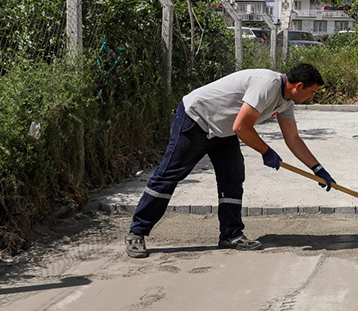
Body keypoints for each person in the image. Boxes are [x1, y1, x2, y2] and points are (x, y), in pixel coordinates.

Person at [124, 63, 336, 258]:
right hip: (196, 119)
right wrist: (265, 151)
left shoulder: (286, 103)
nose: (312, 97)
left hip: (223, 131)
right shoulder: (266, 84)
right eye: (312, 92)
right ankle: (137, 232)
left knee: (232, 177)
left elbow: (293, 139)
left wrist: (317, 168)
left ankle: (231, 235)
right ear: (299, 86)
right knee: (169, 175)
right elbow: (242, 127)